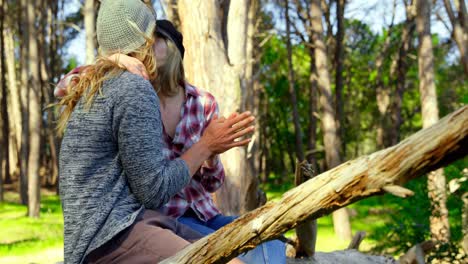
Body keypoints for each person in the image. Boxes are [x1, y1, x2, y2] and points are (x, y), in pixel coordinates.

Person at [57, 1, 252, 263]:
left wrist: (211, 152)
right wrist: (206, 144)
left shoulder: (97, 85)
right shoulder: (133, 88)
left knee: (233, 252)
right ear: (145, 39)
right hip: (110, 236)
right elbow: (154, 191)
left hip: (131, 222)